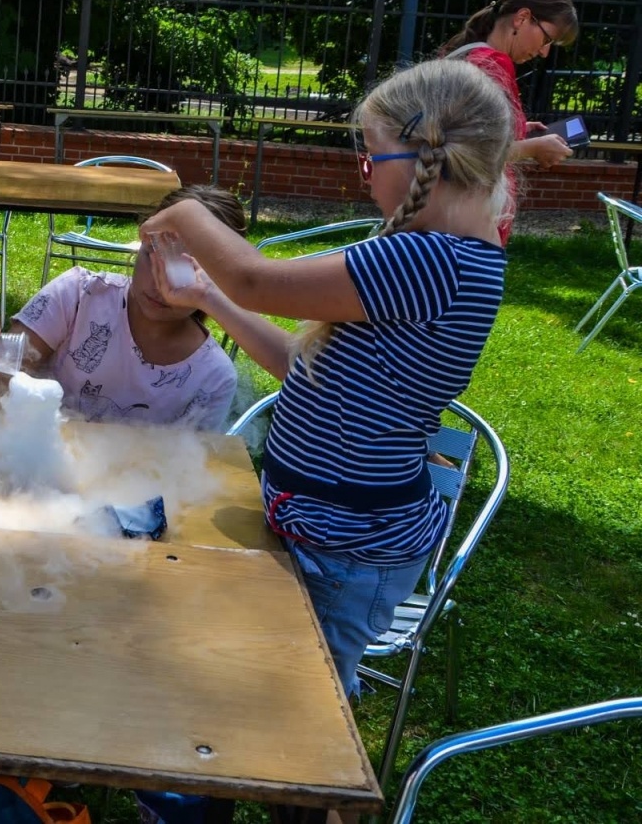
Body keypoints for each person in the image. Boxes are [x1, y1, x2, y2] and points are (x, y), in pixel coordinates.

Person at [136, 59, 512, 711]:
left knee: (300, 721)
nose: (363, 173)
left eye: (370, 155)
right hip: (332, 533)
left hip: (344, 548)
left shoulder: (429, 260)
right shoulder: (451, 258)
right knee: (281, 705)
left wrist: (187, 215)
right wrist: (206, 295)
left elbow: (256, 280)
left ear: (426, 157)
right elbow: (304, 368)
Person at [0, 185, 250, 432]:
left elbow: (190, 474)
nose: (159, 285)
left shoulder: (213, 377)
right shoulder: (78, 295)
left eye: (181, 272)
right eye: (150, 257)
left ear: (217, 281)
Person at [437, 0, 580, 243]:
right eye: (547, 38)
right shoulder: (491, 65)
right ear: (522, 18)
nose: (544, 52)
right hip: (467, 229)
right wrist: (533, 149)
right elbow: (466, 151)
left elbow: (463, 133)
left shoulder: (469, 56)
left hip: (452, 219)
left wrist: (520, 130)